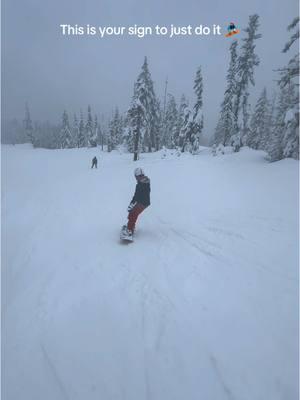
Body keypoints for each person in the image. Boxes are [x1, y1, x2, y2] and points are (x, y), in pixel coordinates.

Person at [126, 167, 150, 237]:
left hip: (142, 203)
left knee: (133, 214)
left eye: (136, 177)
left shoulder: (141, 184)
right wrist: (132, 204)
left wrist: (131, 204)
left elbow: (136, 196)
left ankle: (130, 230)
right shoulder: (144, 182)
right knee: (133, 213)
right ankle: (130, 227)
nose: (136, 178)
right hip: (143, 202)